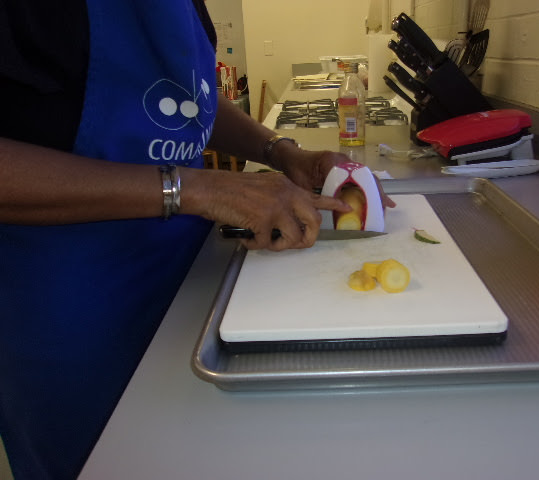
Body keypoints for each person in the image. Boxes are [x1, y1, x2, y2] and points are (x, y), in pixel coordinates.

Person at [0, 1, 394, 478]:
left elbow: (186, 98)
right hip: (72, 311)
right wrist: (196, 187)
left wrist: (279, 151)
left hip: (188, 278)